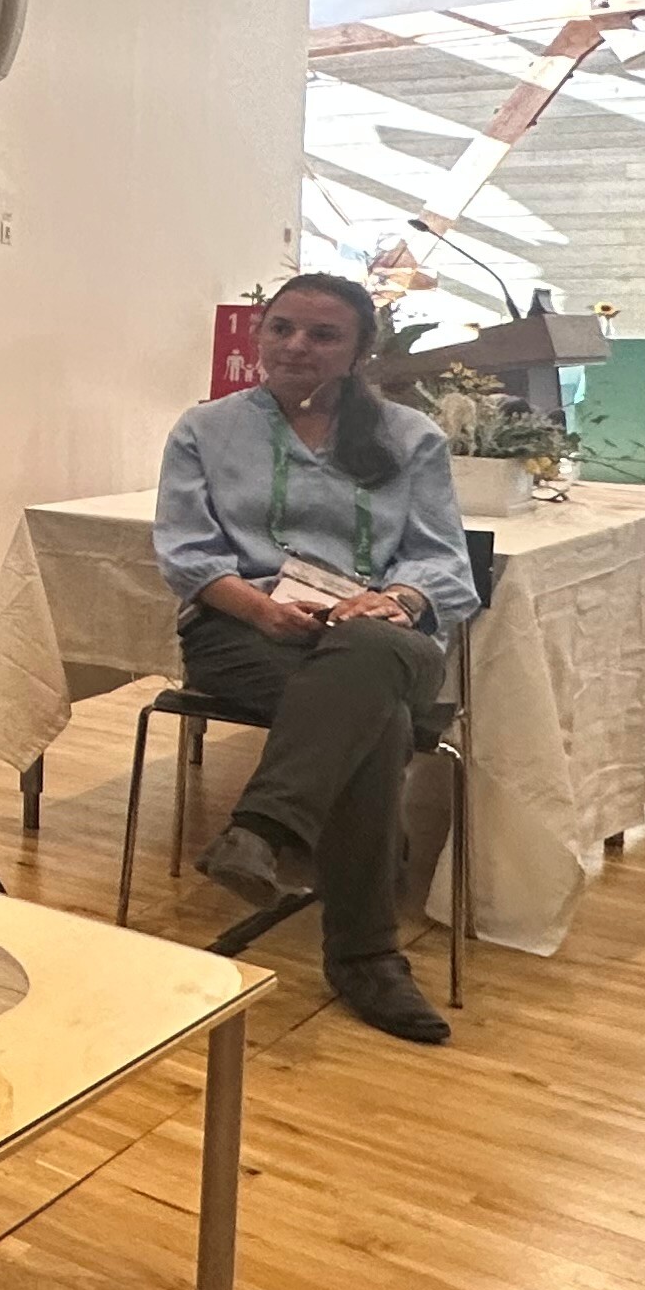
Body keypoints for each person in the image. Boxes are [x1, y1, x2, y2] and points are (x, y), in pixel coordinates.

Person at [154, 274, 482, 1044]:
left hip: (380, 635)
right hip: (244, 629)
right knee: (377, 721)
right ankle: (366, 955)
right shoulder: (206, 429)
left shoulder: (408, 437)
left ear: (361, 349)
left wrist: (393, 600)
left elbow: (442, 560)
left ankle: (263, 828)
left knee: (367, 660)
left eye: (323, 334)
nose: (297, 346)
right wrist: (262, 609)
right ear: (259, 335)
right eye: (282, 328)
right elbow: (187, 553)